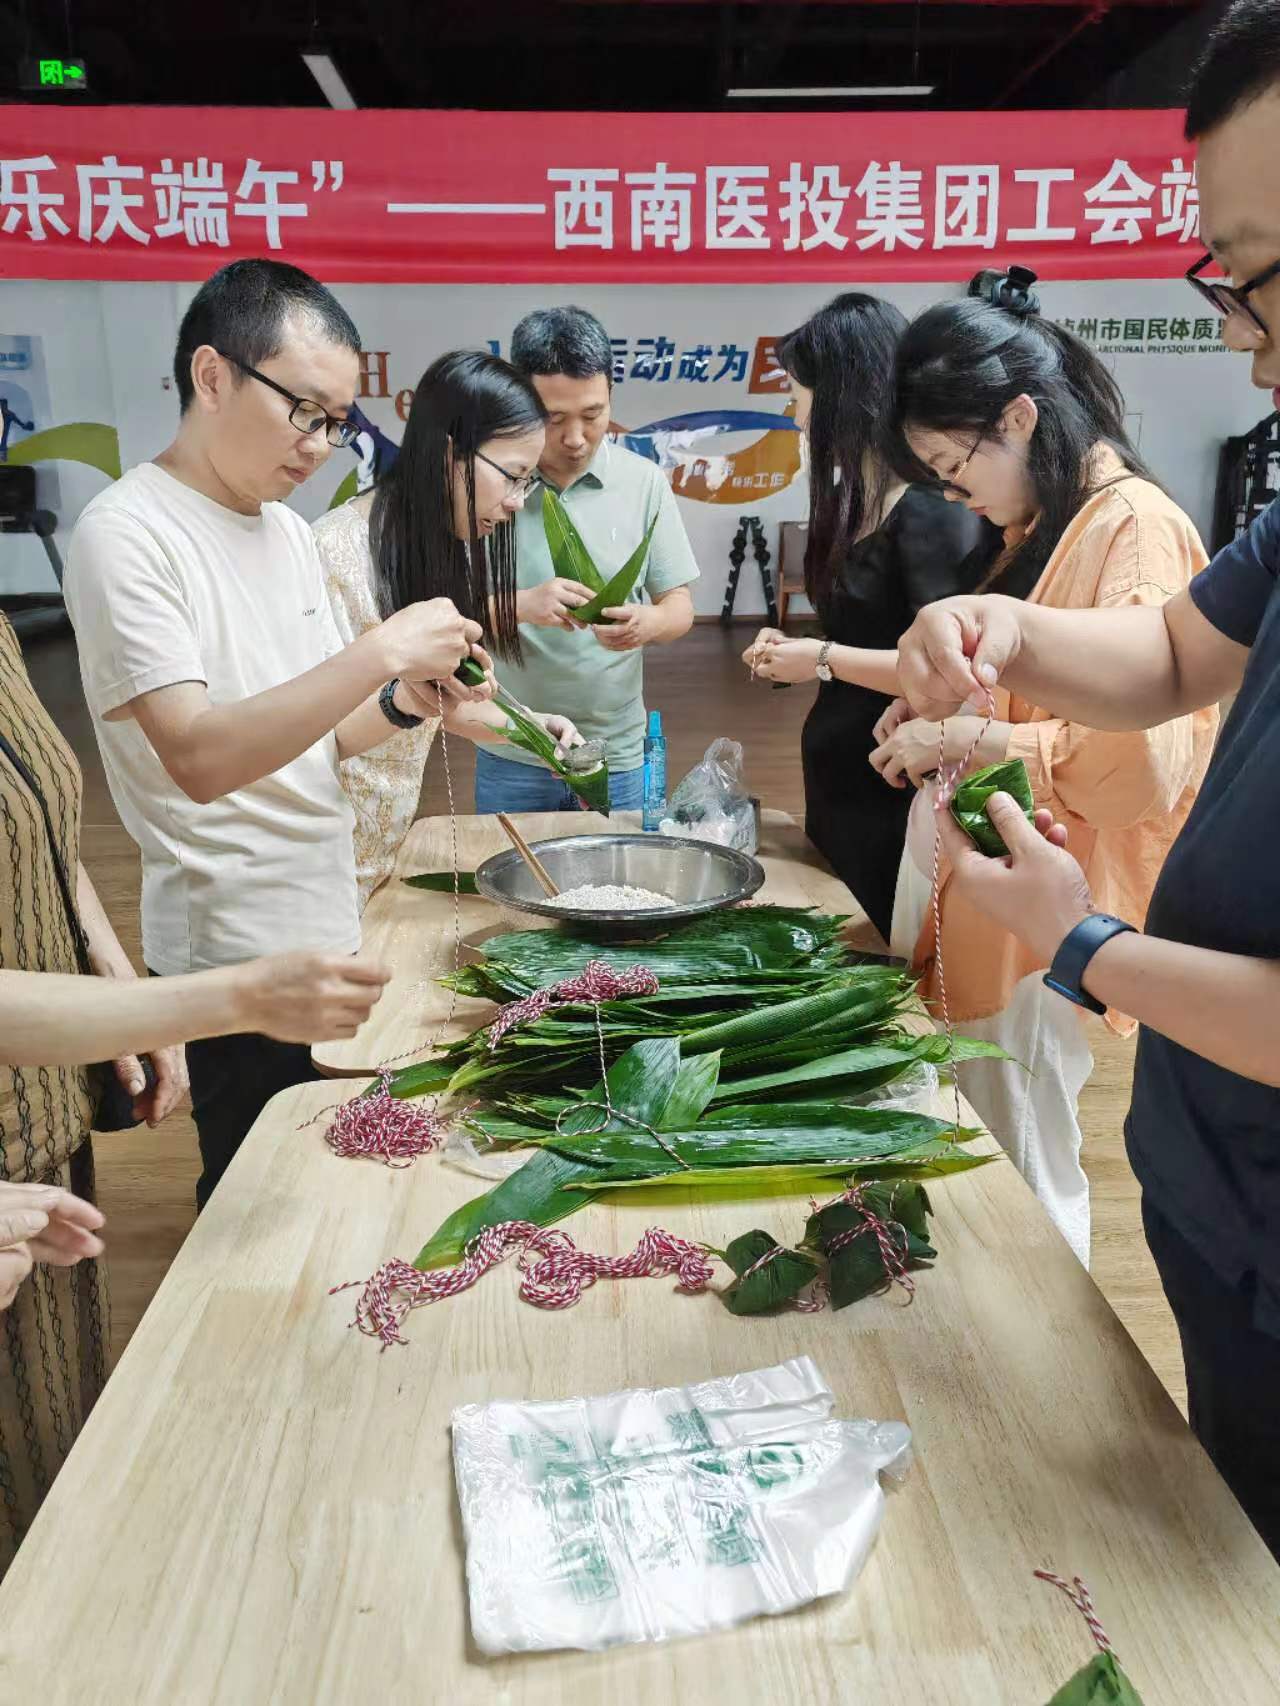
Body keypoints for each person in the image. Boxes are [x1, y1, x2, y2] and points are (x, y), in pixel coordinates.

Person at [894, 0, 1280, 1554]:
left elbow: (1146, 751)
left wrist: (1084, 940)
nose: (1241, 335)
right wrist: (1010, 629)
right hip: (1218, 1186)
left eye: (1257, 278)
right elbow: (1176, 653)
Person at [64, 258, 489, 1209]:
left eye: (336, 424)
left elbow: (312, 737)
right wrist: (379, 649)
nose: (318, 446)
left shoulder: (286, 532)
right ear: (212, 376)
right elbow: (203, 759)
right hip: (233, 955)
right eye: (305, 411)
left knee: (332, 1190)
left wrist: (402, 702)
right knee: (252, 1206)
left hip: (325, 913)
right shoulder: (128, 534)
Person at [0, 601, 387, 1569]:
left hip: (34, 1120)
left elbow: (43, 833)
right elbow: (205, 756)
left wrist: (124, 982)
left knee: (56, 1454)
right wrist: (220, 997)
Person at [873, 272, 1217, 1265]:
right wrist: (939, 708)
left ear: (1018, 417)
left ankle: (1043, 1377)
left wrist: (964, 742)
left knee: (1023, 1159)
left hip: (1035, 916)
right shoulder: (1042, 524)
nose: (952, 494)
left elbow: (1131, 767)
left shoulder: (1133, 528)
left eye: (952, 464)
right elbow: (1020, 690)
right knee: (987, 1138)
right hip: (985, 898)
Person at [736, 292, 1003, 940]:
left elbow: (949, 674)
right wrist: (803, 653)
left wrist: (820, 659)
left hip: (894, 772)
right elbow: (866, 631)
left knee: (889, 948)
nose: (793, 408)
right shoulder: (856, 496)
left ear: (841, 394)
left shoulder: (930, 513)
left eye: (799, 391)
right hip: (840, 769)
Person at [315, 350, 582, 906]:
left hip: (381, 852)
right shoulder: (333, 550)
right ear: (449, 454)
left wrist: (534, 729)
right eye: (512, 476)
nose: (514, 503)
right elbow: (313, 730)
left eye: (527, 483)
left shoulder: (448, 552)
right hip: (319, 860)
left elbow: (443, 701)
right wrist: (404, 698)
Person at [474, 305, 699, 813]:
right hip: (513, 745)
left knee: (619, 887)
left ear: (611, 396)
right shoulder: (487, 485)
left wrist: (649, 622)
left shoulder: (643, 483)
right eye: (554, 419)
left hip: (616, 751)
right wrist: (520, 605)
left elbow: (679, 605)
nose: (576, 439)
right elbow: (445, 614)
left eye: (593, 415)